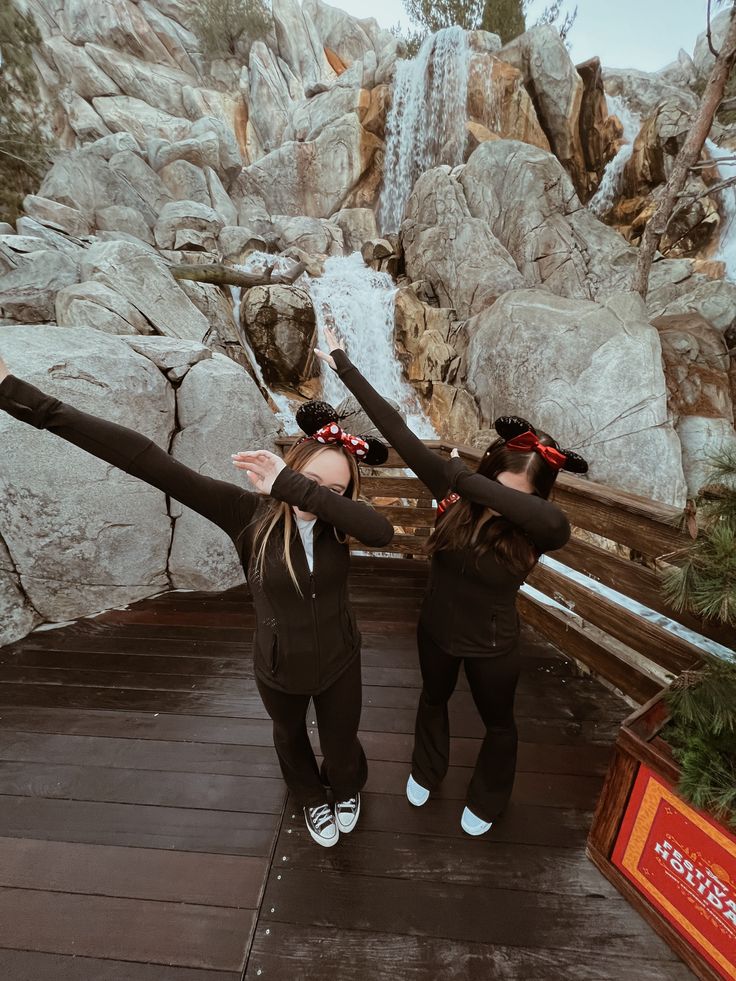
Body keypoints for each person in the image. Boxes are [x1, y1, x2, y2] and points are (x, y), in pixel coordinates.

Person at [0, 355, 394, 847]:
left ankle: (346, 786)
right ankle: (311, 797)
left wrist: (300, 489)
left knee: (341, 744)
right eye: (310, 482)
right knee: (290, 736)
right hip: (278, 664)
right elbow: (145, 459)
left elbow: (381, 532)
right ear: (291, 470)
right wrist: (15, 393)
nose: (318, 496)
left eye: (334, 490)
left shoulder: (341, 524)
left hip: (340, 659)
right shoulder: (246, 514)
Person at [315, 328, 588, 837]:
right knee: (433, 699)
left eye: (515, 495)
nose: (497, 500)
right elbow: (395, 430)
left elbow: (557, 526)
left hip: (493, 645)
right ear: (489, 469)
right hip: (436, 629)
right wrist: (343, 364)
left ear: (534, 499)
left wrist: (469, 483)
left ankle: (490, 795)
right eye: (496, 485)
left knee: (499, 724)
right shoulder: (454, 494)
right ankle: (427, 766)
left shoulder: (537, 528)